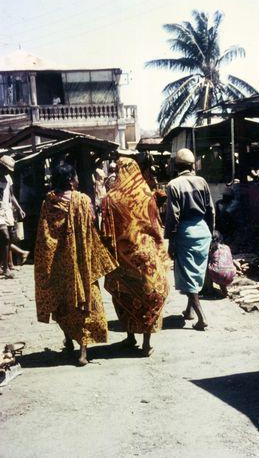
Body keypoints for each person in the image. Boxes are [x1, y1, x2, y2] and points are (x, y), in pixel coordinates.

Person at [34, 164, 117, 366]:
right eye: (77, 176)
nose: (79, 179)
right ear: (71, 179)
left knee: (64, 302)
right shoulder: (83, 200)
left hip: (60, 263)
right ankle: (83, 353)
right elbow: (92, 224)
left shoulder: (49, 201)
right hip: (82, 262)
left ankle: (69, 341)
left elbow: (45, 234)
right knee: (86, 303)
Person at [102, 157, 169, 356]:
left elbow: (106, 232)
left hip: (123, 257)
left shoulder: (110, 198)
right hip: (146, 255)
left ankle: (131, 337)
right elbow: (155, 225)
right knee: (149, 296)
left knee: (125, 296)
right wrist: (160, 249)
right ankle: (146, 343)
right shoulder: (147, 194)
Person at [165, 148, 215, 330]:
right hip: (202, 231)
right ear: (192, 165)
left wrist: (170, 240)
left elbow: (173, 216)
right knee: (195, 273)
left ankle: (202, 318)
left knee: (188, 275)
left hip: (186, 232)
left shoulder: (173, 185)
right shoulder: (202, 182)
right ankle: (189, 311)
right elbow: (211, 210)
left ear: (176, 166)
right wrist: (211, 232)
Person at [0, 155, 27, 279]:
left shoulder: (8, 178)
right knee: (5, 236)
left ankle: (4, 265)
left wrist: (19, 208)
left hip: (7, 210)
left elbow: (11, 196)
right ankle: (5, 268)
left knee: (8, 239)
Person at [207, 231, 236, 297]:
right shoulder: (227, 247)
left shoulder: (211, 250)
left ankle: (209, 289)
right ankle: (224, 290)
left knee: (211, 266)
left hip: (219, 274)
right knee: (221, 266)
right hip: (232, 273)